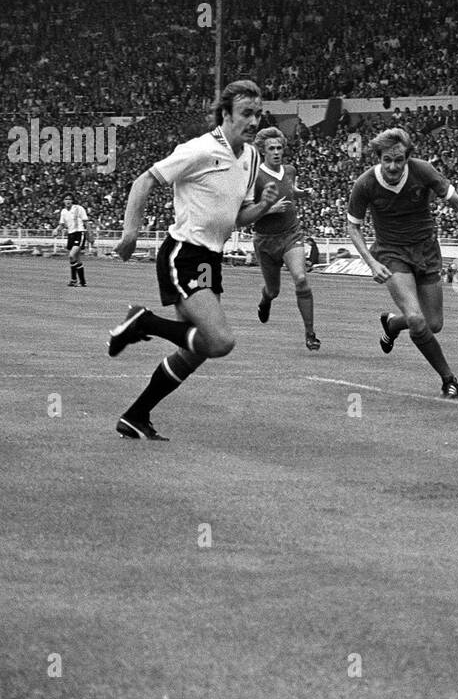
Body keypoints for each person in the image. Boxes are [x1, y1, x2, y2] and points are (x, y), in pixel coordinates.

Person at [105, 79, 288, 441]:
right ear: (225, 115)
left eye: (257, 114)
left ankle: (135, 415)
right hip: (183, 253)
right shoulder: (200, 149)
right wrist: (130, 234)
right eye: (246, 114)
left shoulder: (250, 157)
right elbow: (144, 181)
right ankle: (144, 322)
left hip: (210, 259)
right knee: (219, 341)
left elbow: (237, 217)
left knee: (196, 350)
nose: (253, 122)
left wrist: (264, 205)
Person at [345, 127, 458, 397]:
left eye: (399, 159)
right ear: (378, 157)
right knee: (417, 320)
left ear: (408, 157)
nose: (393, 166)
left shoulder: (423, 171)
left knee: (434, 324)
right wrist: (371, 262)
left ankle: (392, 324)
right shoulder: (365, 184)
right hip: (392, 253)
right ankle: (448, 379)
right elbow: (353, 228)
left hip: (426, 250)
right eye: (387, 160)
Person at [251, 126, 320, 350]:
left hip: (291, 234)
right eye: (271, 148)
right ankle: (266, 300)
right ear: (263, 151)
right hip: (265, 240)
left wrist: (303, 193)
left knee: (301, 279)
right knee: (274, 290)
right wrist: (270, 209)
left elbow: (290, 189)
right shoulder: (254, 176)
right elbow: (244, 211)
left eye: (279, 147)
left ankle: (310, 334)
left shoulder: (289, 170)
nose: (277, 152)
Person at [58, 193, 89, 287]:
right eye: (66, 199)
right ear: (63, 201)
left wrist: (90, 234)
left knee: (72, 255)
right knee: (77, 258)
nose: (68, 201)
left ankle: (73, 279)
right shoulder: (63, 211)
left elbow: (86, 222)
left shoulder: (79, 208)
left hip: (79, 233)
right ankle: (82, 281)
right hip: (71, 234)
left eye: (70, 199)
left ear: (72, 201)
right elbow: (62, 224)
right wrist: (56, 230)